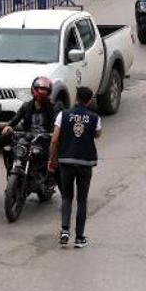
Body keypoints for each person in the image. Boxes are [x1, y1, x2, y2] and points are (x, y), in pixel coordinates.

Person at [48, 86, 101, 248]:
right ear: (89, 100)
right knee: (82, 199)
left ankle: (65, 231)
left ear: (76, 98)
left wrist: (52, 159)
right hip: (85, 162)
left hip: (66, 161)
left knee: (66, 197)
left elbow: (54, 140)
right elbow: (97, 134)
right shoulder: (94, 117)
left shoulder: (63, 115)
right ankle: (79, 238)